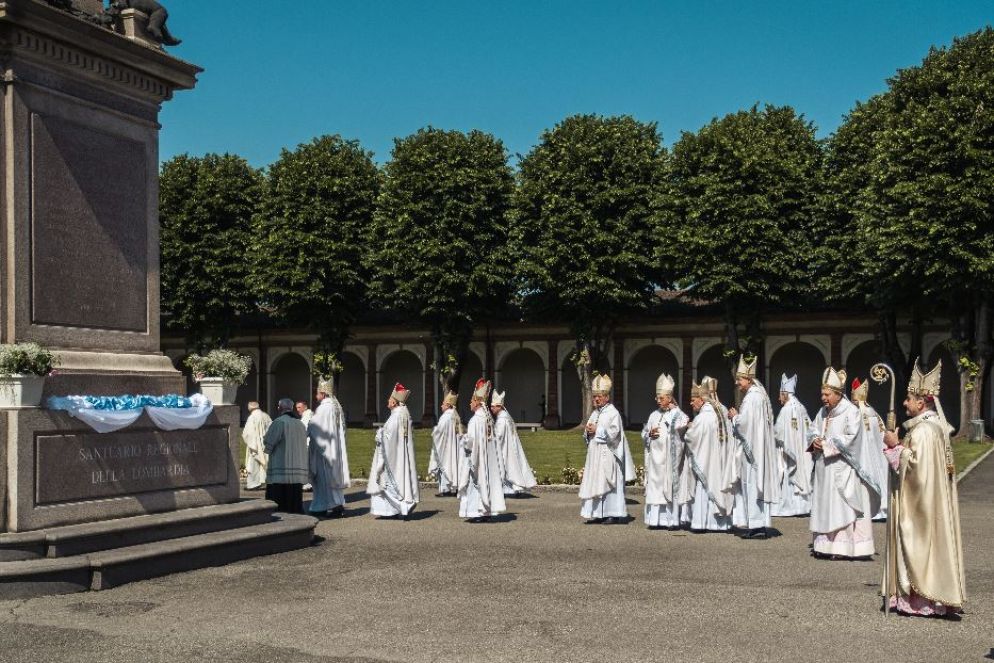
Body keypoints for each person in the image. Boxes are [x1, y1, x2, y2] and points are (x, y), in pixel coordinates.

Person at [882, 358, 965, 617]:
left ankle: (923, 599)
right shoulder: (930, 427)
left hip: (922, 505)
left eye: (908, 399)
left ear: (922, 402)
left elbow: (917, 472)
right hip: (930, 502)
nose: (904, 403)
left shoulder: (924, 431)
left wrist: (895, 447)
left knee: (919, 543)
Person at [807, 366, 881, 560]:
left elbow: (852, 438)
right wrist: (814, 440)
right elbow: (813, 429)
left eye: (827, 394)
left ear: (838, 393)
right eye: (822, 394)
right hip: (824, 469)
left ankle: (842, 547)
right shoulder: (823, 412)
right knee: (825, 505)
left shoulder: (851, 412)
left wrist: (827, 444)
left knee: (840, 506)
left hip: (842, 468)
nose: (823, 398)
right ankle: (824, 545)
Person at [725, 356, 779, 538]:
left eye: (739, 379)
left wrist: (733, 416)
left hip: (752, 451)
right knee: (754, 485)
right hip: (757, 447)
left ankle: (756, 526)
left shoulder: (752, 398)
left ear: (748, 379)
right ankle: (758, 524)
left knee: (752, 485)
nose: (737, 382)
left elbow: (744, 425)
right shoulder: (760, 395)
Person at [578, 374, 634, 524]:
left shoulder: (613, 413)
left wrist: (598, 430)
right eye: (595, 396)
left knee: (609, 481)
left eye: (600, 396)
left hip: (608, 453)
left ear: (607, 397)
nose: (596, 399)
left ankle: (612, 513)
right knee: (596, 481)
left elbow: (615, 434)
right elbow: (588, 433)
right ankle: (597, 513)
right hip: (595, 455)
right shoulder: (595, 413)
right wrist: (588, 432)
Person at [682, 377, 733, 532]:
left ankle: (702, 523)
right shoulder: (721, 410)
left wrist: (689, 428)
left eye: (693, 400)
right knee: (718, 486)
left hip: (707, 460)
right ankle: (721, 523)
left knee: (705, 486)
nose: (691, 403)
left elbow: (692, 438)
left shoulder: (703, 417)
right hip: (721, 459)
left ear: (701, 399)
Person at [641, 373, 691, 528]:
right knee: (655, 489)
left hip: (669, 461)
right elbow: (644, 433)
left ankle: (670, 520)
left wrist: (674, 410)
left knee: (668, 488)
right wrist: (649, 434)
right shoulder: (653, 415)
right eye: (657, 398)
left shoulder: (677, 413)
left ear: (670, 398)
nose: (657, 400)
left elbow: (683, 424)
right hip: (655, 462)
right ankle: (655, 520)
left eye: (661, 398)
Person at [368, 383, 419, 518]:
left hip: (392, 455)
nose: (387, 402)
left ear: (395, 402)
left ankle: (401, 508)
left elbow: (389, 435)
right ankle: (391, 510)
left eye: (389, 400)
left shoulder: (397, 415)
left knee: (387, 482)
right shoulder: (402, 413)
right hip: (398, 454)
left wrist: (380, 434)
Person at [457, 379, 506, 522]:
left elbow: (471, 442)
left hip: (478, 459)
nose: (470, 403)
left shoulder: (475, 420)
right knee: (487, 482)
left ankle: (477, 512)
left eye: (471, 401)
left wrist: (462, 439)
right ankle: (486, 511)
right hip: (489, 459)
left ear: (478, 402)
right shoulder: (488, 418)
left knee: (476, 484)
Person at [307, 377, 350, 517]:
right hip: (334, 448)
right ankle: (337, 504)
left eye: (317, 392)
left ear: (323, 394)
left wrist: (307, 427)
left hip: (324, 451)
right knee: (332, 478)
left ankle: (322, 506)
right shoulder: (336, 406)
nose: (316, 395)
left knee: (323, 479)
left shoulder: (324, 408)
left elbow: (314, 427)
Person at [771, 374, 813, 517]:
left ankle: (790, 507)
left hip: (788, 452)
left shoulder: (785, 410)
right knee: (801, 473)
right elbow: (811, 429)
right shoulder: (802, 408)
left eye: (780, 395)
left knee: (789, 474)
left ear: (785, 394)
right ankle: (803, 507)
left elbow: (778, 433)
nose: (779, 399)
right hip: (802, 450)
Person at [850, 378, 889, 521]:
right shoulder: (873, 412)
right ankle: (881, 508)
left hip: (864, 453)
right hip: (877, 453)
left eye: (853, 399)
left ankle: (869, 509)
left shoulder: (858, 412)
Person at [262, 398, 309, 514]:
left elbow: (269, 440)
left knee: (279, 500)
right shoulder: (300, 424)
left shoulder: (279, 422)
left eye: (278, 406)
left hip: (281, 465)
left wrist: (267, 448)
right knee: (295, 496)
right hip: (297, 465)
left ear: (280, 408)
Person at [490, 390, 538, 495]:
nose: (491, 408)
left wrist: (489, 437)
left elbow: (499, 435)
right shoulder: (506, 417)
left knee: (507, 466)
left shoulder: (502, 419)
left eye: (493, 406)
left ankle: (511, 488)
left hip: (506, 447)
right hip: (510, 445)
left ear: (499, 407)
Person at [429, 391, 462, 495]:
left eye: (443, 403)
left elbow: (439, 432)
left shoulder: (446, 416)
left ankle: (446, 489)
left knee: (446, 464)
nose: (441, 405)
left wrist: (435, 430)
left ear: (448, 405)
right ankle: (453, 488)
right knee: (453, 465)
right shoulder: (455, 416)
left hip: (446, 446)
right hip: (454, 445)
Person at [242, 401, 271, 491]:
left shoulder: (252, 417)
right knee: (265, 462)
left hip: (255, 444)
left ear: (250, 408)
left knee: (253, 464)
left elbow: (247, 433)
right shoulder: (266, 416)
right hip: (265, 444)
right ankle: (264, 481)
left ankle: (253, 484)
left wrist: (252, 444)